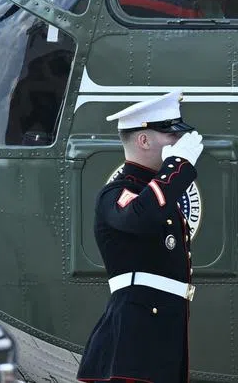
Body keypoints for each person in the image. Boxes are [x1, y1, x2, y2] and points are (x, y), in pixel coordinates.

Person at [77, 91, 205, 382]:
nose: (178, 142)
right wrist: (177, 166)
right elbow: (140, 216)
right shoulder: (118, 192)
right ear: (144, 140)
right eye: (171, 134)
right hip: (134, 341)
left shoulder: (155, 194)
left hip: (161, 335)